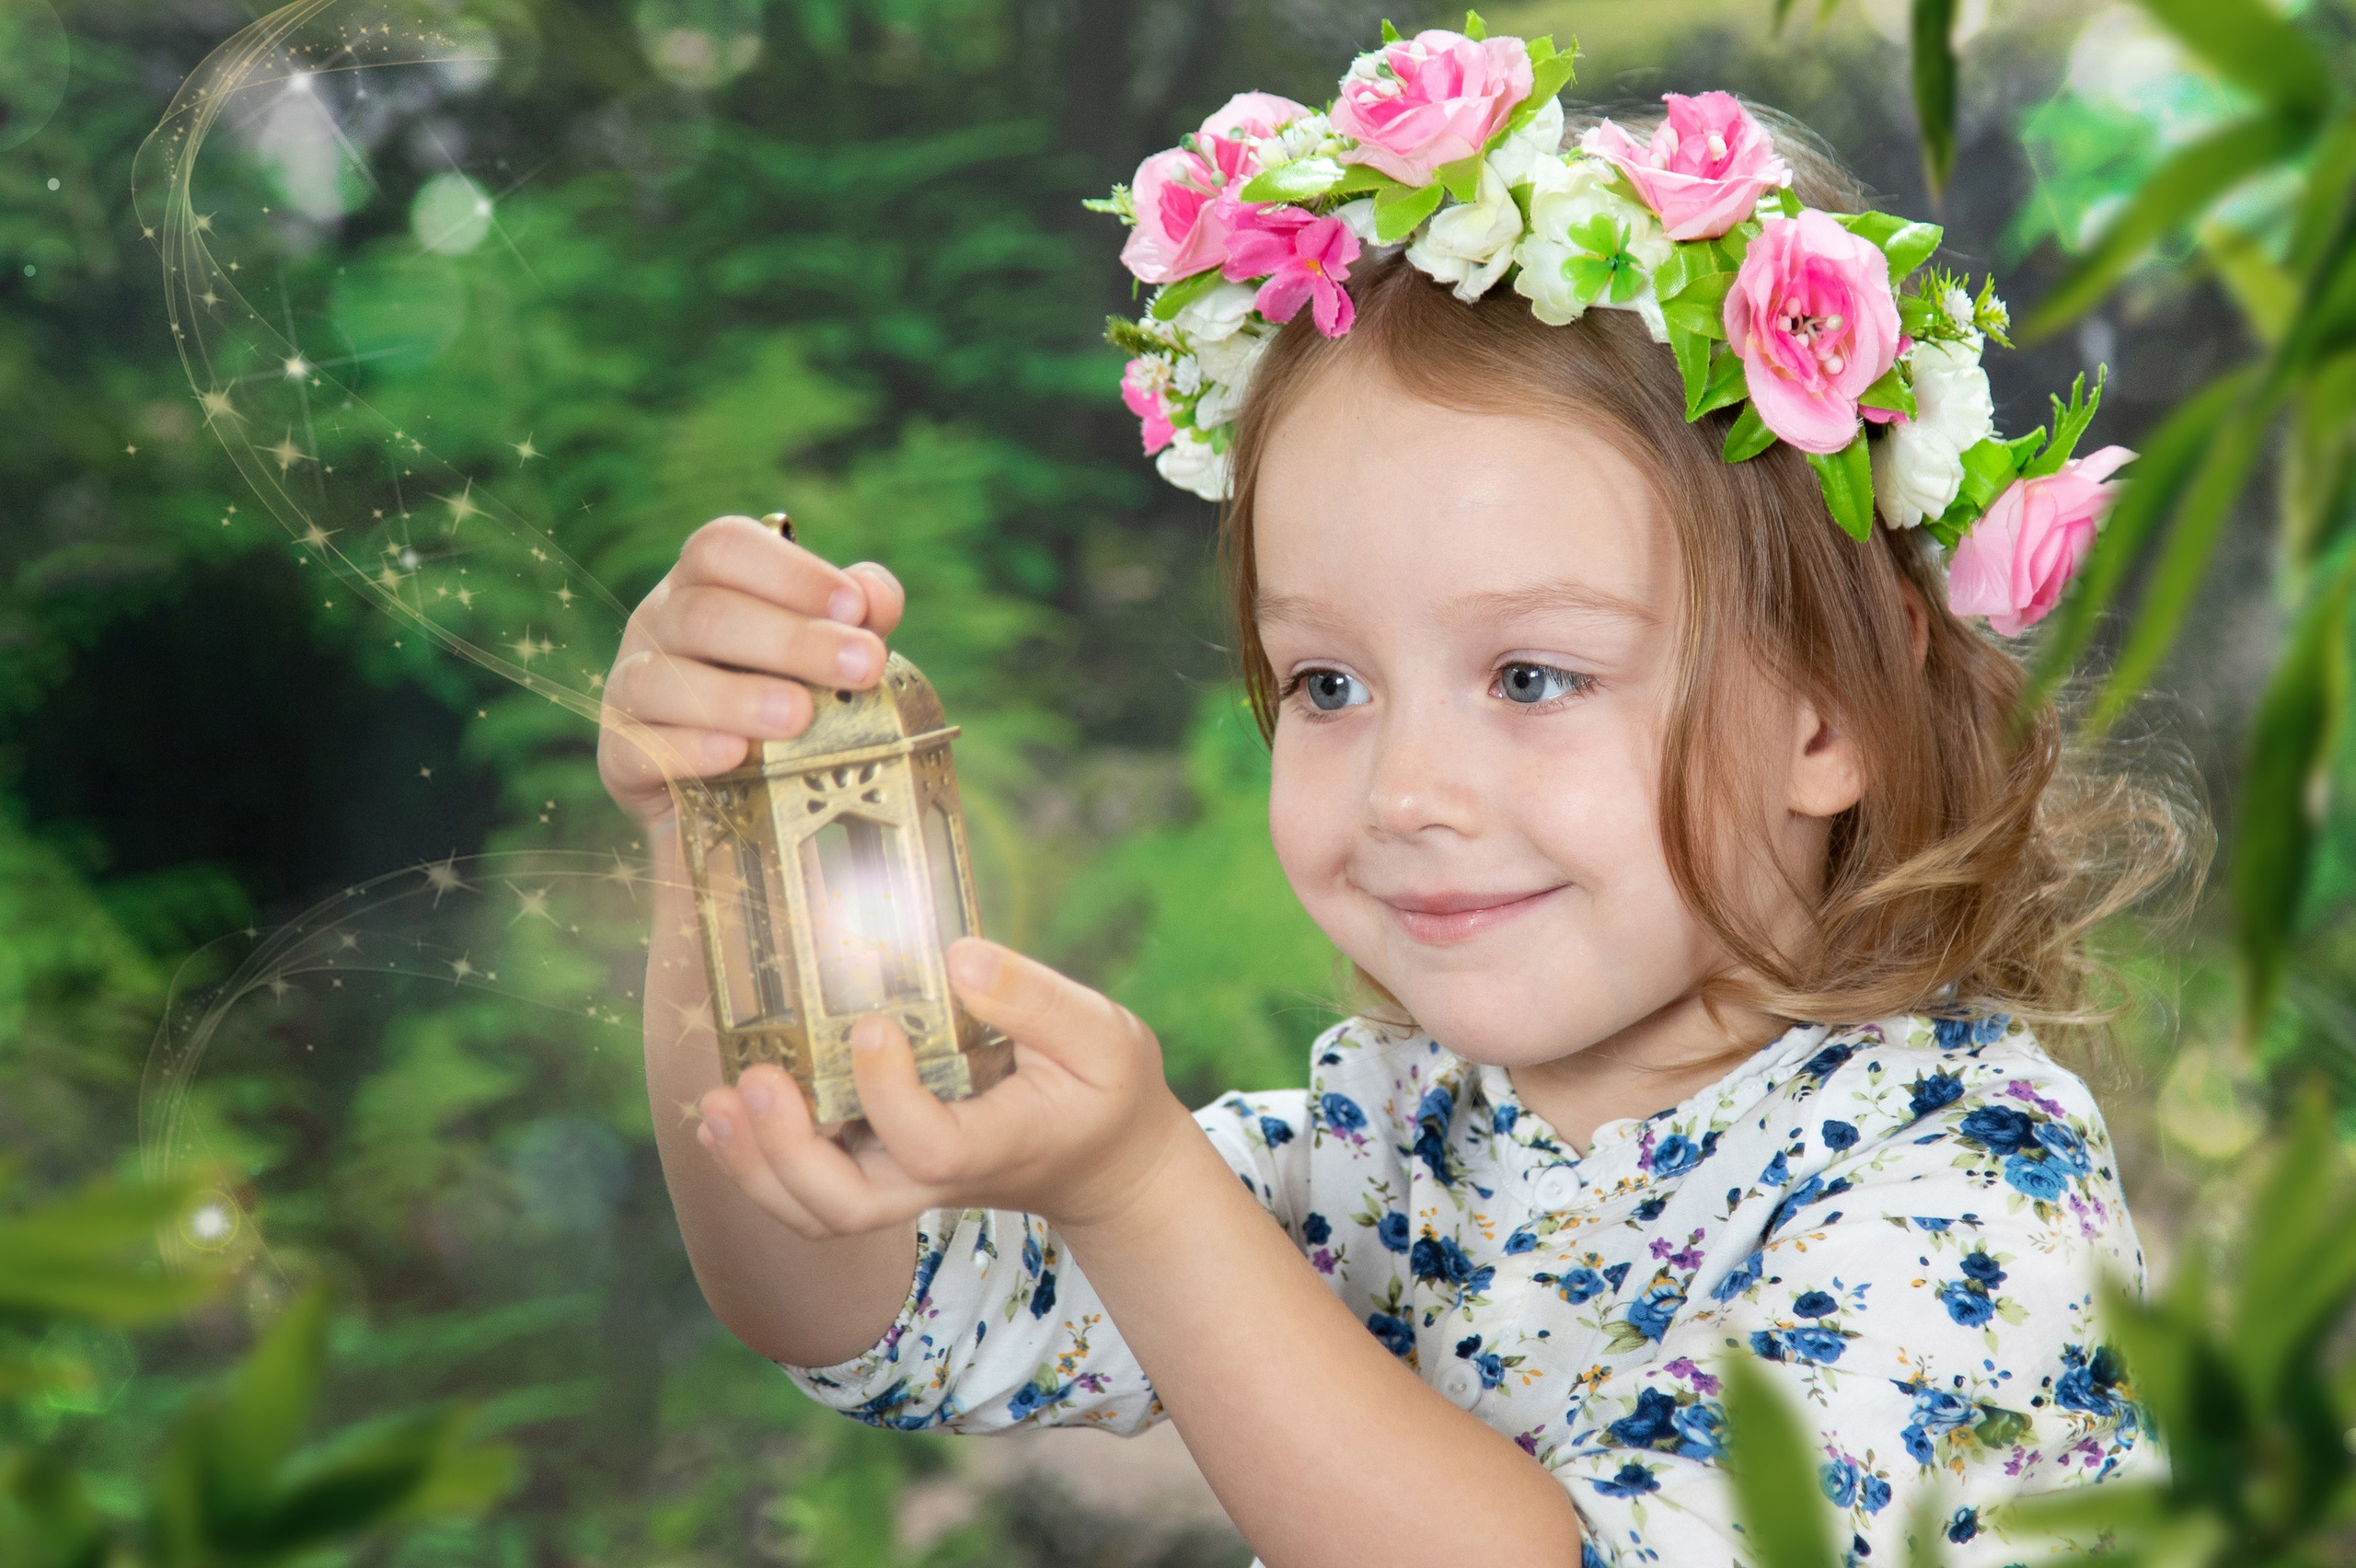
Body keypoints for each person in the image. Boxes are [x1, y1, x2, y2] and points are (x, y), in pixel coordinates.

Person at [597, 28, 2198, 1567]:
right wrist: (715, 856)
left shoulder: (1967, 1182)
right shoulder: (1391, 1147)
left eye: (1530, 679)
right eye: (1328, 686)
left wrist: (1143, 1190)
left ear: (1833, 711)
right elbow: (860, 1309)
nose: (1407, 791)